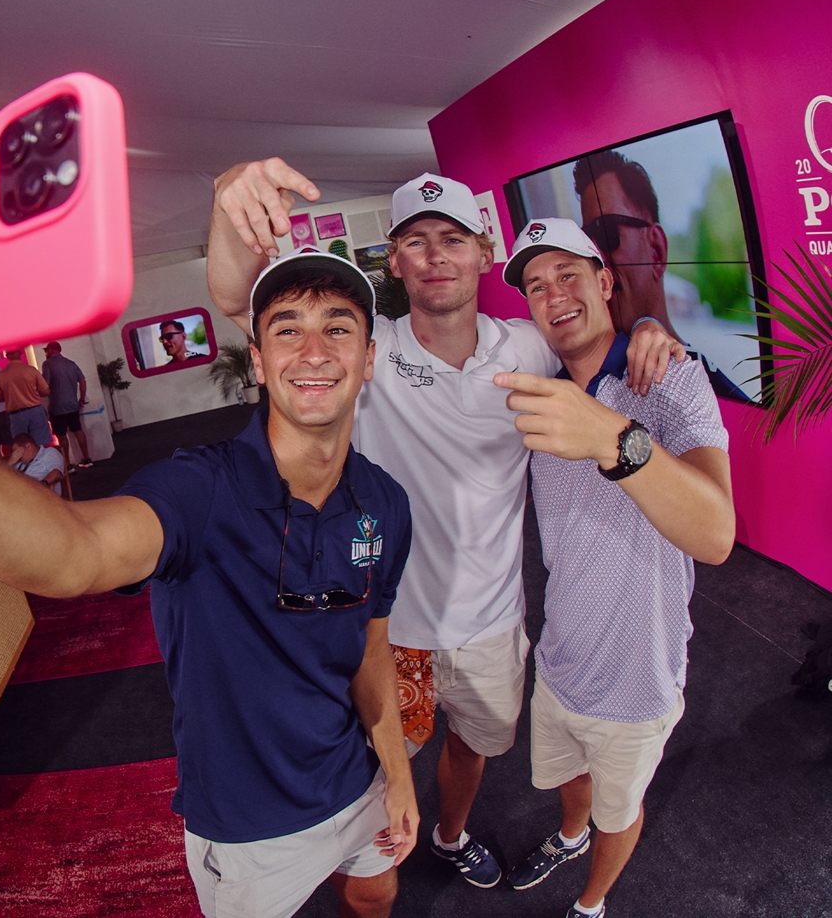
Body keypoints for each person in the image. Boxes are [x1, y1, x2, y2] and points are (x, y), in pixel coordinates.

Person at [0, 174, 420, 917]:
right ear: (257, 359)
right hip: (252, 828)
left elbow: (370, 643)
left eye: (339, 327)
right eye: (287, 328)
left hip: (357, 777)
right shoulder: (201, 490)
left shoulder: (384, 501)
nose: (314, 349)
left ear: (369, 357)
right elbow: (75, 551)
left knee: (377, 894)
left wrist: (397, 767)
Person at [206, 161, 685, 890]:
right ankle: (365, 874)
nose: (436, 255)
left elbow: (594, 337)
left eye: (453, 238)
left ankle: (450, 834)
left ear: (483, 253)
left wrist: (650, 326)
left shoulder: (525, 346)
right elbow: (237, 296)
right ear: (394, 258)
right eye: (417, 241)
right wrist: (227, 203)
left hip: (492, 622)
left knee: (472, 746)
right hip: (384, 628)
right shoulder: (368, 348)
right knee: (366, 769)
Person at [495, 217, 734, 918]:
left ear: (604, 281)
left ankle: (592, 903)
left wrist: (616, 439)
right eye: (536, 286)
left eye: (569, 274)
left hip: (639, 674)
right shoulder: (537, 391)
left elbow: (716, 535)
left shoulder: (668, 379)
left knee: (618, 811)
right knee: (570, 781)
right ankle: (569, 836)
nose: (554, 294)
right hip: (562, 657)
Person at [574, 151, 746, 400]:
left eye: (606, 233)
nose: (596, 256)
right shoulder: (581, 370)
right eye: (586, 241)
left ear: (656, 250)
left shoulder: (710, 389)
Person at [41, 341, 93, 471]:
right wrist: (81, 398)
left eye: (46, 350)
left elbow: (45, 384)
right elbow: (83, 381)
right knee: (78, 430)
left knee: (61, 436)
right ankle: (86, 458)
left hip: (57, 407)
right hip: (72, 405)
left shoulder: (47, 364)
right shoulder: (71, 363)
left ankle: (68, 465)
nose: (45, 353)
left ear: (51, 350)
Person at [0, 349, 52, 448]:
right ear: (20, 354)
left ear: (7, 356)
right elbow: (46, 391)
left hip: (16, 415)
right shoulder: (31, 370)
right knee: (40, 445)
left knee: (22, 447)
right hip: (35, 410)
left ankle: (28, 463)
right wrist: (33, 394)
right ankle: (42, 462)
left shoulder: (2, 375)